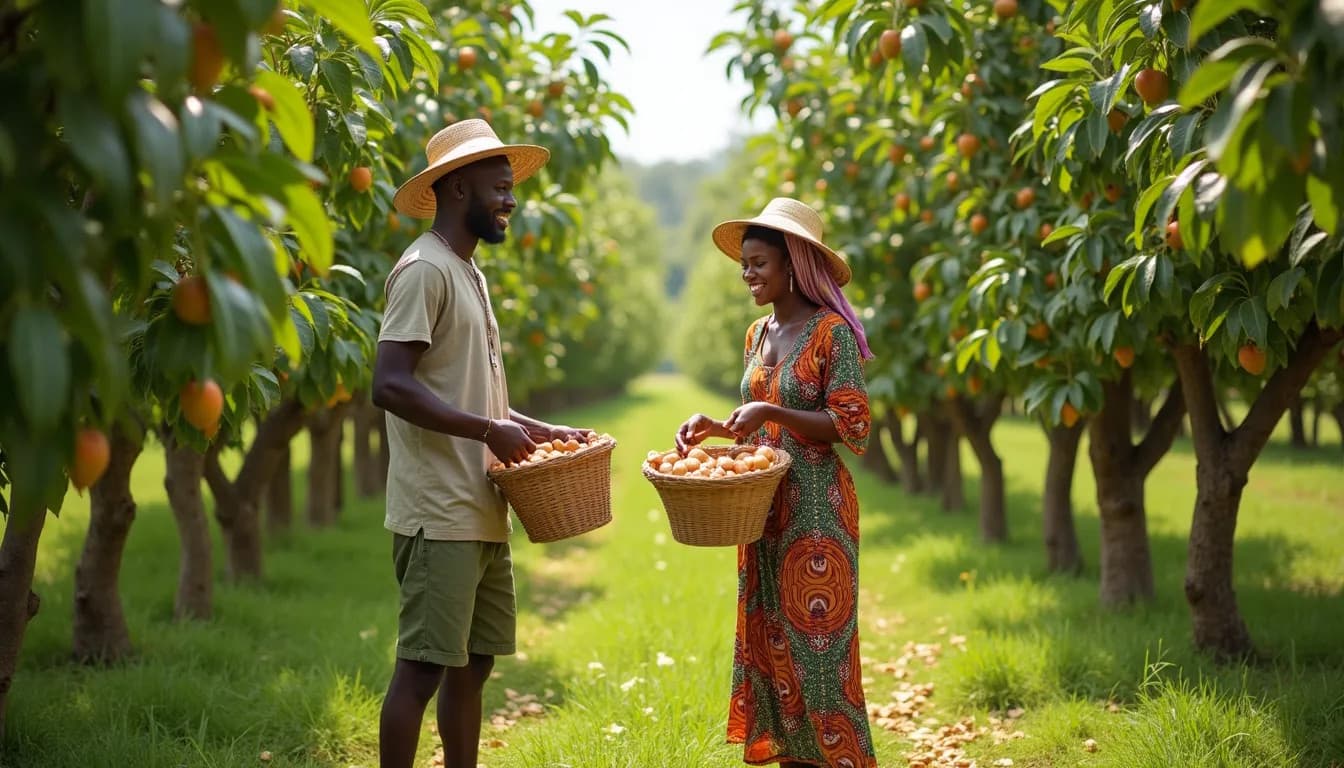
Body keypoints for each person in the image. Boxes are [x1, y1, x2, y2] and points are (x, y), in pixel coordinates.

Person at [372, 118, 591, 768]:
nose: (510, 201)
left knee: (475, 663)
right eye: (500, 188)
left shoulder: (469, 272)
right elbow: (390, 384)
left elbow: (472, 390)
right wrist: (487, 430)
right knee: (422, 668)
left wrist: (535, 427)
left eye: (510, 189)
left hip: (482, 506)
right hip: (438, 510)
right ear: (459, 187)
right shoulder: (424, 270)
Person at [675, 197, 876, 768]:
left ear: (793, 265)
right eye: (744, 264)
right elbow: (757, 422)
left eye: (759, 263)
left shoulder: (831, 333)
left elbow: (850, 423)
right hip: (762, 508)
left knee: (820, 654)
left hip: (815, 511)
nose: (748, 274)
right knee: (772, 648)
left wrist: (771, 411)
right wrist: (717, 427)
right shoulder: (756, 333)